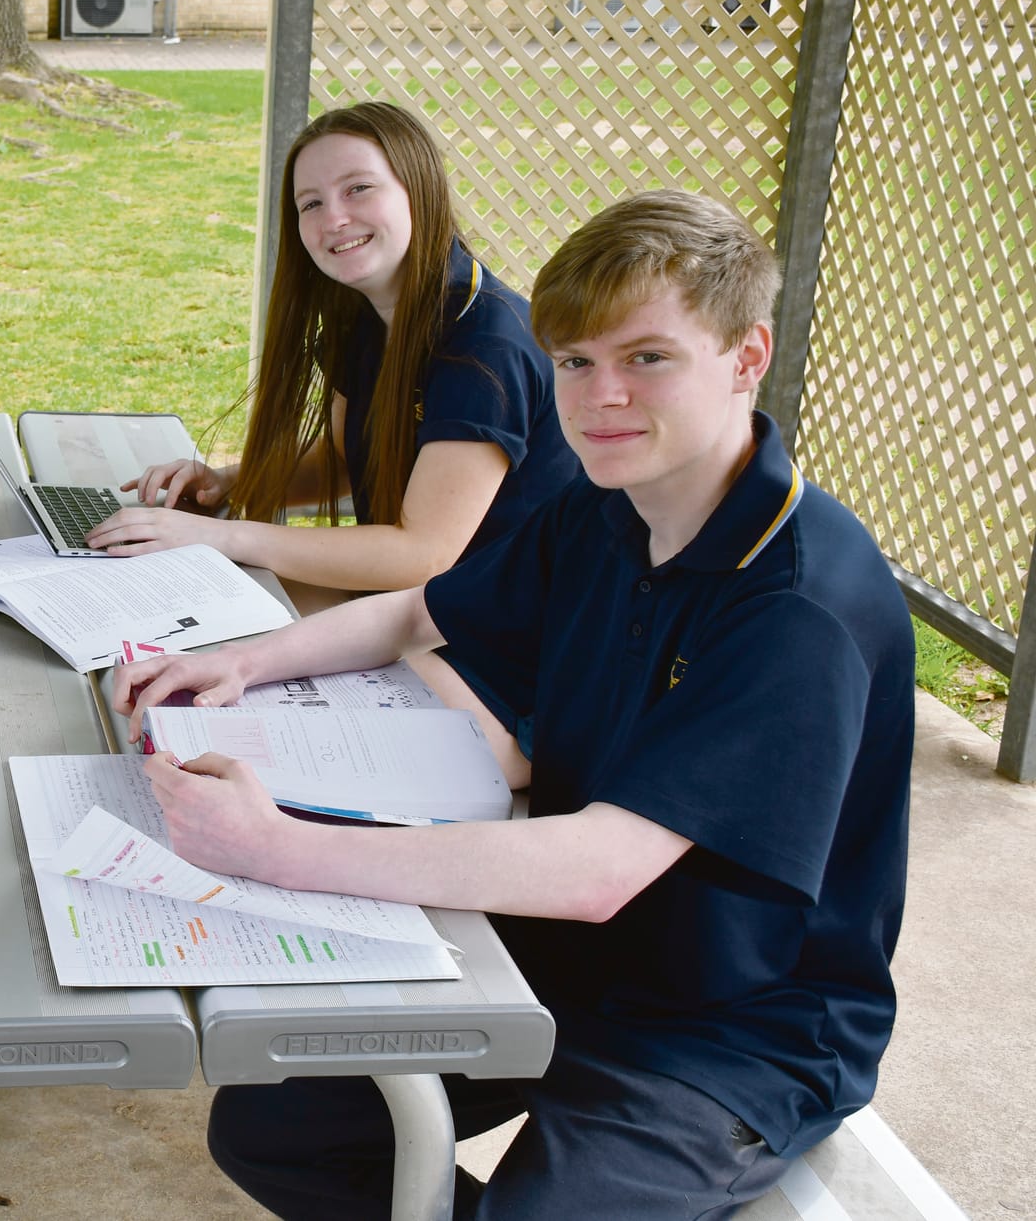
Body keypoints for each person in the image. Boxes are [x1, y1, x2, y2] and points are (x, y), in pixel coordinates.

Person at [112, 190, 913, 1220]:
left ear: (744, 356)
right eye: (574, 362)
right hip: (567, 959)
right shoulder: (605, 508)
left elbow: (595, 869)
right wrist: (240, 664)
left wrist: (266, 844)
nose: (599, 396)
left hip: (729, 1027)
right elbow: (414, 609)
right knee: (274, 1129)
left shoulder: (795, 605)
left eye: (647, 358)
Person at [86, 102, 579, 602]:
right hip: (411, 606)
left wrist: (220, 537)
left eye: (358, 189)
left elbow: (422, 554)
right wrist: (228, 483)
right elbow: (346, 459)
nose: (334, 219)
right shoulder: (364, 315)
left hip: (498, 637)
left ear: (420, 189)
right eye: (311, 204)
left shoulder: (486, 346)